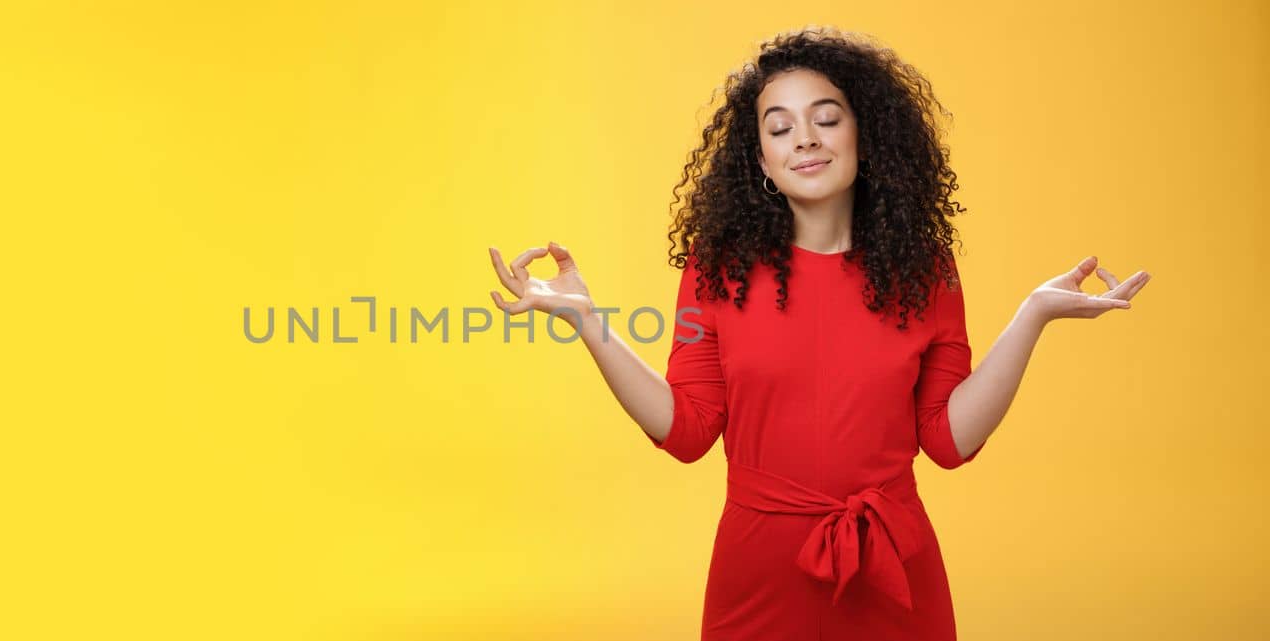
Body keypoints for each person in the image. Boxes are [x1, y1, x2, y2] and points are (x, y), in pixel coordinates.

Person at [486, 27, 1151, 641]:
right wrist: (585, 319)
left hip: (896, 572)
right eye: (780, 129)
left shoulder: (926, 270)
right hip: (759, 573)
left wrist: (1031, 315)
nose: (805, 137)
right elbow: (687, 429)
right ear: (763, 165)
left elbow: (947, 439)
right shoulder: (717, 271)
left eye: (826, 118)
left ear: (865, 140)